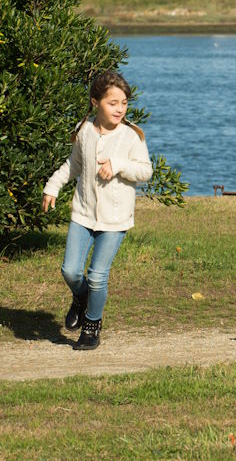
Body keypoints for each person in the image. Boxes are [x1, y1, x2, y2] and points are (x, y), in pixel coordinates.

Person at [43, 71, 153, 350]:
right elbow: (73, 165)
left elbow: (145, 171)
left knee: (97, 276)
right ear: (95, 102)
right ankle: (81, 298)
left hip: (115, 221)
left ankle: (91, 326)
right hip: (83, 214)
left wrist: (117, 164)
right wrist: (53, 185)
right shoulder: (84, 132)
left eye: (124, 103)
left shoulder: (132, 137)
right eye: (113, 103)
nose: (120, 109)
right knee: (70, 271)